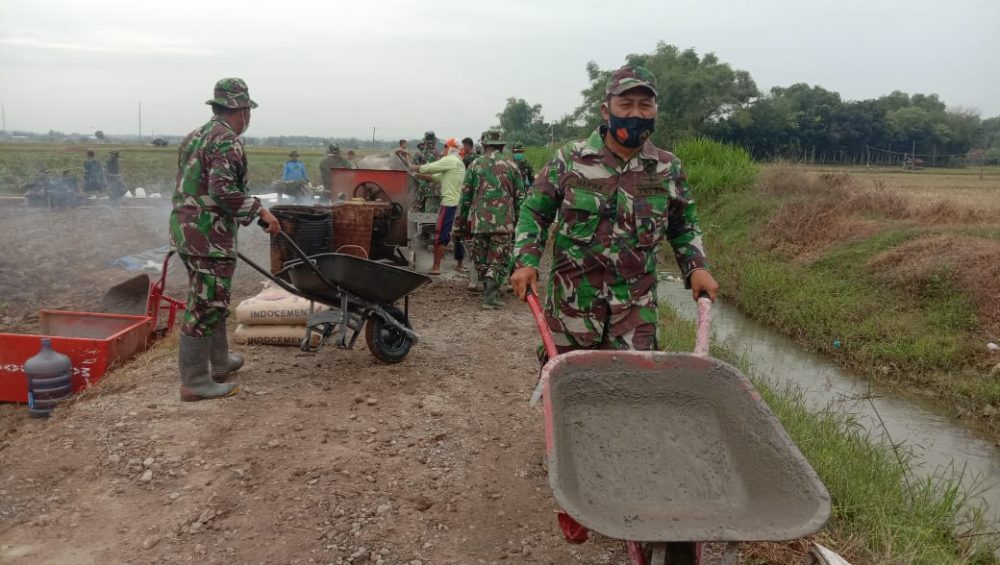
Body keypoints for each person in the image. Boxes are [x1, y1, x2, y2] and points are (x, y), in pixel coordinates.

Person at [510, 65, 718, 354]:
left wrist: (697, 267)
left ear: (655, 110)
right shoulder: (570, 159)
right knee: (568, 390)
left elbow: (684, 226)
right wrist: (526, 260)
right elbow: (534, 212)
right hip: (572, 310)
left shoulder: (667, 168)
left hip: (635, 315)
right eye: (626, 104)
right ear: (605, 110)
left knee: (632, 392)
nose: (635, 114)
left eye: (645, 105)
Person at [169, 77, 281, 402]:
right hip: (208, 235)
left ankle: (219, 362)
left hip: (186, 230)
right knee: (206, 304)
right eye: (248, 111)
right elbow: (223, 190)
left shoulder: (195, 136)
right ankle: (194, 381)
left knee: (210, 297)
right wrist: (261, 212)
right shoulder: (226, 140)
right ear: (242, 109)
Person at [458, 130, 524, 309]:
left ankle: (488, 291)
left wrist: (459, 224)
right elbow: (520, 197)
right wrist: (520, 223)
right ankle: (490, 296)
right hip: (504, 223)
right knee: (499, 259)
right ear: (501, 145)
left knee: (482, 258)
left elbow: (465, 197)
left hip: (480, 222)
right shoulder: (512, 165)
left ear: (484, 145)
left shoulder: (474, 165)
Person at [413, 139, 466, 275]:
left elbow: (429, 167)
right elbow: (437, 177)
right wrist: (419, 175)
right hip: (458, 203)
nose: (444, 150)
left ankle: (436, 267)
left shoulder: (450, 160)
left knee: (441, 234)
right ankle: (460, 264)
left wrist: (413, 167)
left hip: (448, 204)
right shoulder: (459, 163)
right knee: (458, 234)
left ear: (451, 148)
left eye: (446, 147)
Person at [412, 131, 442, 213]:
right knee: (430, 217)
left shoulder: (418, 155)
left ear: (425, 142)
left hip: (419, 190)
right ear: (435, 142)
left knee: (416, 215)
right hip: (434, 190)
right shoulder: (439, 155)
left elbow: (412, 170)